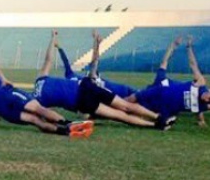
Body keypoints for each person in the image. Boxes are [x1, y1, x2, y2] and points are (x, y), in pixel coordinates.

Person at [35, 30, 174, 130]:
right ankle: (158, 118)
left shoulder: (39, 101)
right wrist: (52, 39)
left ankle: (156, 122)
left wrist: (64, 123)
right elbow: (48, 60)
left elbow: (47, 115)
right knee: (124, 108)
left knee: (120, 115)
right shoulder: (40, 80)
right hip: (86, 89)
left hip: (84, 96)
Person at [127, 36, 210, 126]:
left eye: (208, 96)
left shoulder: (195, 87)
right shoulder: (161, 83)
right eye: (209, 96)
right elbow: (198, 111)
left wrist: (179, 46)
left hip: (164, 107)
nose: (207, 96)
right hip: (160, 106)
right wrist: (174, 45)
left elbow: (174, 62)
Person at [0, 63, 94, 137]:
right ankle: (69, 124)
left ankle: (66, 132)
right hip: (9, 94)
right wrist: (3, 79)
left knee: (34, 120)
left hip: (5, 111)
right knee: (38, 109)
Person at [56, 35, 136, 99]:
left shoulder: (73, 77)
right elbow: (94, 62)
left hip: (120, 92)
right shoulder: (82, 85)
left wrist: (60, 48)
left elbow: (65, 61)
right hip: (118, 94)